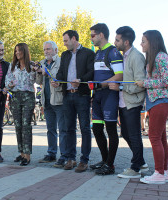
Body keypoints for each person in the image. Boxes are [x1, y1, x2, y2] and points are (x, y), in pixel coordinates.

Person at [136, 30, 168, 184]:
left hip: (161, 101)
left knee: (154, 137)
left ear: (152, 42)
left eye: (143, 41)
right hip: (157, 102)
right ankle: (163, 171)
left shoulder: (162, 57)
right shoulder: (155, 58)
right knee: (161, 138)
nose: (141, 44)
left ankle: (159, 173)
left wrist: (145, 83)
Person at [110, 26, 149, 179]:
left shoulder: (136, 56)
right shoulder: (123, 56)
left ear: (126, 42)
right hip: (123, 102)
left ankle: (135, 168)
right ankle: (141, 162)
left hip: (132, 102)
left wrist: (120, 87)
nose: (115, 42)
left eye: (117, 40)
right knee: (126, 134)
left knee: (134, 135)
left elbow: (140, 83)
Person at [55, 30, 95, 173]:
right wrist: (57, 81)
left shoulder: (89, 53)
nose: (64, 44)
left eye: (66, 41)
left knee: (85, 128)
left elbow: (92, 72)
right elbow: (61, 72)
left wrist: (81, 80)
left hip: (82, 95)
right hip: (67, 96)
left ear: (74, 39)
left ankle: (84, 160)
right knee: (68, 128)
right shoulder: (65, 55)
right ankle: (71, 158)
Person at [89, 23, 123, 175]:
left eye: (93, 35)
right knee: (96, 128)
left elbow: (120, 75)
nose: (91, 39)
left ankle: (110, 165)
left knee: (110, 130)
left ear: (101, 35)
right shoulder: (98, 52)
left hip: (109, 94)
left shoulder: (113, 51)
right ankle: (105, 160)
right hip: (97, 96)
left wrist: (101, 84)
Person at [35, 41, 67, 168]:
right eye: (44, 49)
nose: (46, 51)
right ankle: (51, 153)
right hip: (46, 100)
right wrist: (37, 72)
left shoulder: (61, 61)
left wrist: (46, 72)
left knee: (63, 129)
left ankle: (64, 155)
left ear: (56, 50)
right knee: (50, 129)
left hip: (59, 99)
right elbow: (38, 82)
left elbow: (60, 78)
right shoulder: (42, 63)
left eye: (48, 49)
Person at [5, 43, 36, 166]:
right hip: (15, 96)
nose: (17, 53)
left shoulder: (32, 65)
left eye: (19, 50)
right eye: (16, 51)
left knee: (26, 125)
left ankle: (27, 156)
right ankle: (22, 153)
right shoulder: (12, 66)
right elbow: (7, 80)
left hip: (28, 96)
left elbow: (36, 80)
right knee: (17, 125)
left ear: (25, 51)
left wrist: (36, 71)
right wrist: (10, 85)